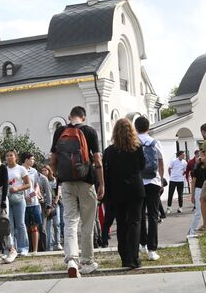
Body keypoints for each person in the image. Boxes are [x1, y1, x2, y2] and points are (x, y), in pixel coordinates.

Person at [50, 106, 104, 278]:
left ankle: (71, 259)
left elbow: (53, 159)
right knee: (87, 223)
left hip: (66, 183)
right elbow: (97, 160)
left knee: (70, 221)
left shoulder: (60, 131)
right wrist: (101, 183)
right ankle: (87, 261)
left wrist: (59, 176)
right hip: (86, 181)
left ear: (69, 117)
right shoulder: (89, 131)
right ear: (84, 117)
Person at [102, 119, 145, 268]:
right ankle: (134, 256)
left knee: (121, 225)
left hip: (117, 192)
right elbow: (142, 166)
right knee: (135, 223)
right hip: (135, 190)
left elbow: (106, 173)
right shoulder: (137, 148)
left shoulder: (109, 151)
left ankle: (125, 258)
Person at [134, 117, 164, 262]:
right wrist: (162, 180)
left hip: (138, 182)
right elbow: (161, 162)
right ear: (148, 127)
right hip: (153, 181)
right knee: (153, 215)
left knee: (139, 215)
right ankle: (152, 250)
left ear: (135, 127)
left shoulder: (133, 143)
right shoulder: (155, 142)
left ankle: (142, 244)